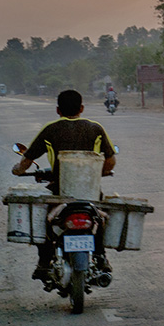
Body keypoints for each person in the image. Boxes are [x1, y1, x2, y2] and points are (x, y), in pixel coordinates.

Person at [11, 89, 118, 280]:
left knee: (42, 218)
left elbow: (27, 159)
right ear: (82, 108)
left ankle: (44, 261)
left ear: (58, 110)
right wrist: (100, 171)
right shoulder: (96, 128)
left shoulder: (50, 129)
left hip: (60, 190)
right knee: (100, 217)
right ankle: (101, 256)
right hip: (90, 190)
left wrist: (18, 170)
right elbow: (110, 161)